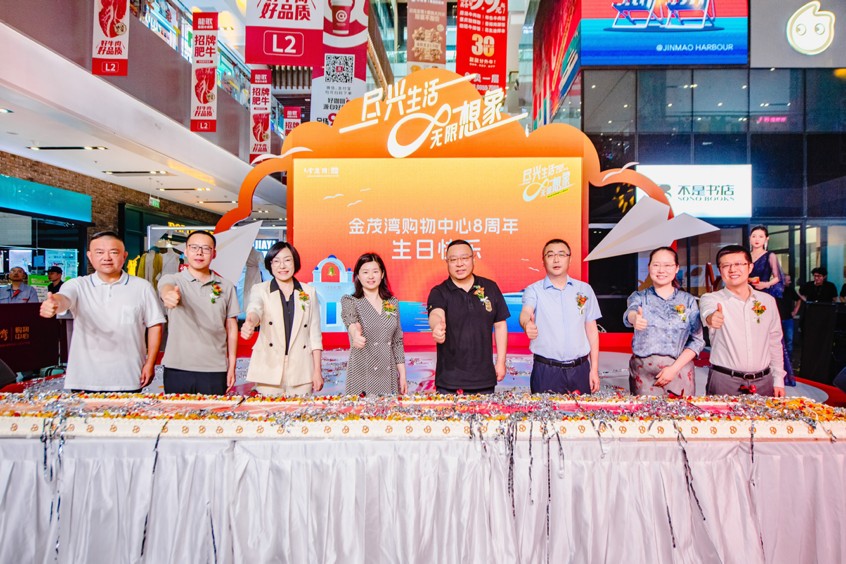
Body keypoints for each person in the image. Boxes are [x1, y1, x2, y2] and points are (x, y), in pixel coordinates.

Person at [39, 231, 165, 392]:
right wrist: (54, 303)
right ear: (90, 256)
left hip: (128, 376)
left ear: (124, 256)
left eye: (113, 252)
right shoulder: (78, 285)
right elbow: (64, 298)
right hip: (84, 378)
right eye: (99, 252)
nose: (107, 258)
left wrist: (150, 363)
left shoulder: (142, 287)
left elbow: (155, 325)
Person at [158, 230, 239, 395]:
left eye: (205, 248)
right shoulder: (173, 280)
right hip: (177, 367)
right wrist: (169, 295)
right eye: (194, 247)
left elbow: (231, 328)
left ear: (214, 253)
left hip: (215, 368)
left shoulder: (226, 286)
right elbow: (165, 288)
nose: (199, 252)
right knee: (177, 411)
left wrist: (232, 366)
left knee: (214, 412)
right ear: (186, 251)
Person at [699, 245, 785, 397]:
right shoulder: (711, 299)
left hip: (764, 381)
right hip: (724, 381)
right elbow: (708, 313)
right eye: (726, 265)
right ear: (720, 270)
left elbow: (774, 341)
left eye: (739, 264)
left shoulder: (767, 301)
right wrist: (711, 318)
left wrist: (778, 379)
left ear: (750, 267)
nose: (732, 269)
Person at [240, 242, 323, 396]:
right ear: (270, 265)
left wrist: (317, 371)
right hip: (269, 367)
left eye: (287, 260)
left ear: (295, 262)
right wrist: (250, 321)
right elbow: (255, 308)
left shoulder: (308, 292)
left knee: (301, 410)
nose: (282, 266)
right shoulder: (260, 289)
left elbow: (315, 334)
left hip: (301, 369)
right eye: (276, 261)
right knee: (268, 410)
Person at [520, 238, 601, 394]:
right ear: (543, 261)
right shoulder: (534, 290)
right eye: (550, 255)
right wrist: (526, 324)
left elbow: (591, 330)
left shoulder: (584, 289)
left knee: (582, 410)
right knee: (545, 410)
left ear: (570, 259)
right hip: (546, 371)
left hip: (580, 369)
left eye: (561, 254)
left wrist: (594, 369)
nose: (556, 259)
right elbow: (525, 312)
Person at [427, 239, 509, 394]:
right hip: (449, 381)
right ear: (447, 262)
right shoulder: (439, 291)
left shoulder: (490, 287)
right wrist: (436, 326)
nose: (459, 264)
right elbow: (436, 313)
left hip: (484, 379)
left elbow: (500, 325)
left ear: (473, 259)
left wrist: (501, 362)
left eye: (464, 258)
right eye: (453, 260)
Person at [623, 247, 704, 397]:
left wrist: (673, 369)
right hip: (644, 373)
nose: (661, 270)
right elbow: (631, 311)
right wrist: (634, 318)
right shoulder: (640, 297)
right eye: (656, 265)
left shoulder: (688, 300)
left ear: (676, 268)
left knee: (680, 411)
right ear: (649, 268)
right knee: (645, 412)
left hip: (679, 371)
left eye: (667, 265)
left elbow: (697, 341)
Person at [341, 252, 407, 395]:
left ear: (382, 274)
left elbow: (397, 341)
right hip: (362, 370)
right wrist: (355, 334)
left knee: (388, 408)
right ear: (358, 276)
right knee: (360, 409)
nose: (371, 276)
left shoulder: (392, 303)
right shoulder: (350, 301)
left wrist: (402, 375)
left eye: (375, 272)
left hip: (387, 370)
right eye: (365, 272)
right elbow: (350, 319)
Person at [749, 225, 794, 386]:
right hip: (746, 293)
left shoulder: (770, 255)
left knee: (766, 331)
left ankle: (772, 371)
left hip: (762, 295)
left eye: (760, 236)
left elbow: (778, 277)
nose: (757, 239)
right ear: (750, 238)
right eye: (754, 236)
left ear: (766, 239)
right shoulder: (746, 255)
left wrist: (765, 284)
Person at [780, 274, 801, 356]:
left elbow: (798, 299)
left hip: (788, 318)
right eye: (788, 280)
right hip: (777, 319)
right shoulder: (775, 290)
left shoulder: (790, 290)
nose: (790, 282)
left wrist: (795, 311)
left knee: (789, 340)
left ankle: (789, 359)